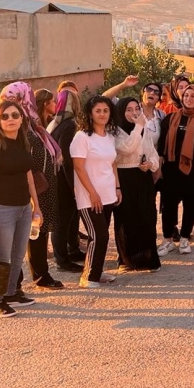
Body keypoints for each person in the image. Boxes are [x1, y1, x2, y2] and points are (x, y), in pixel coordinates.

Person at [0, 100, 41, 317]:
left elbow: (28, 176)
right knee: (3, 257)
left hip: (23, 207)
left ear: (22, 118)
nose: (10, 120)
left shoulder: (24, 143)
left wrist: (36, 206)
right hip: (2, 209)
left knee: (17, 256)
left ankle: (12, 292)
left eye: (15, 115)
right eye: (5, 116)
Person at [0, 82, 64, 290]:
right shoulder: (16, 126)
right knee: (28, 234)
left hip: (43, 186)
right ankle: (27, 280)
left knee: (39, 231)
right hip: (31, 187)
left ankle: (39, 274)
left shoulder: (32, 124)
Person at [70, 96, 121, 288]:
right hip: (90, 196)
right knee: (98, 235)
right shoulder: (81, 137)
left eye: (105, 111)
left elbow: (113, 163)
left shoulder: (109, 136)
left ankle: (97, 272)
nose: (102, 114)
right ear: (90, 113)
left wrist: (117, 187)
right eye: (98, 110)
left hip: (108, 193)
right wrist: (92, 193)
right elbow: (79, 167)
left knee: (103, 235)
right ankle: (89, 276)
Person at [157, 84, 194, 255]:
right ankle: (167, 240)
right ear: (182, 98)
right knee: (168, 207)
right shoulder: (169, 119)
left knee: (191, 206)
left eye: (193, 96)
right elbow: (161, 148)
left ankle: (184, 239)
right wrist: (158, 170)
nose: (189, 99)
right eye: (186, 96)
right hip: (170, 171)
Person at [112, 97, 162, 272]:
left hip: (142, 177)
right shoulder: (115, 131)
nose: (134, 113)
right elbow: (126, 148)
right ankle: (127, 259)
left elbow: (151, 151)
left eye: (136, 109)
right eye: (129, 109)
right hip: (124, 177)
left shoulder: (143, 128)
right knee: (126, 219)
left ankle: (147, 258)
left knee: (146, 216)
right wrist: (139, 126)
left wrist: (151, 164)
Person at [48, 89, 86, 272]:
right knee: (64, 220)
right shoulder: (70, 125)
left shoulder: (56, 124)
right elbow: (67, 159)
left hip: (57, 178)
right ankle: (62, 259)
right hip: (64, 181)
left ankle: (73, 251)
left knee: (69, 219)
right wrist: (74, 186)